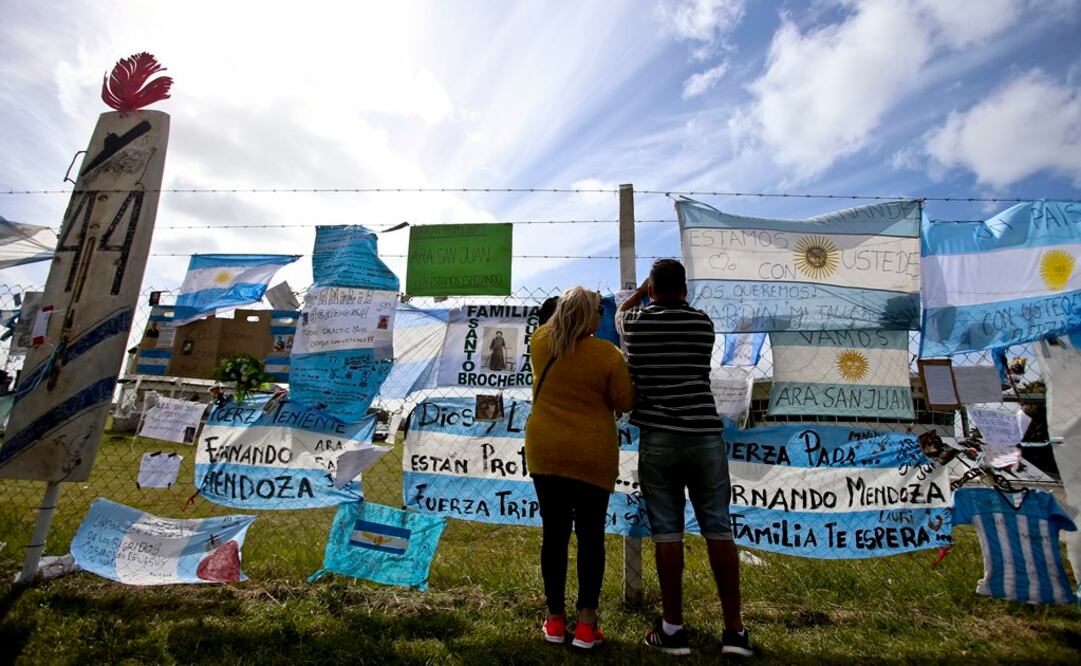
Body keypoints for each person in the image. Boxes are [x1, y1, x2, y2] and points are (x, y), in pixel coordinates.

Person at [617, 259, 752, 658]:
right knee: (718, 528)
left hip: (659, 436)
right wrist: (657, 291)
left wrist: (641, 291)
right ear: (686, 290)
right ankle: (734, 631)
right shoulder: (702, 324)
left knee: (667, 532)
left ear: (653, 289)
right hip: (704, 435)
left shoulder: (638, 324)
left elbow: (623, 313)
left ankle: (673, 628)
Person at [525, 286, 636, 650]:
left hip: (546, 449)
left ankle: (555, 619)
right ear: (589, 316)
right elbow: (624, 401)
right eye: (598, 312)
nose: (603, 317)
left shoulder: (540, 342)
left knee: (554, 534)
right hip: (592, 453)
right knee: (591, 537)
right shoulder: (608, 355)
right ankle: (587, 625)